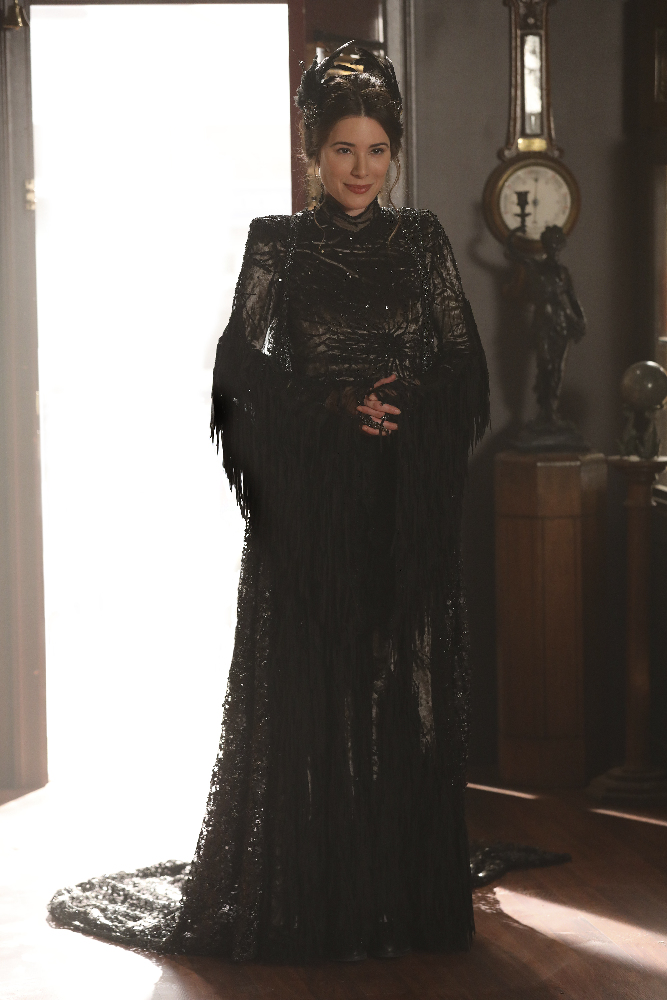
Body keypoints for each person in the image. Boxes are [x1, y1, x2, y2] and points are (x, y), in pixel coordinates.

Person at [47, 43, 490, 963]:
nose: (360, 169)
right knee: (311, 696)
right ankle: (314, 894)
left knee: (398, 696)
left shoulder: (421, 241)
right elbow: (235, 370)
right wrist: (333, 404)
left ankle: (395, 893)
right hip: (309, 514)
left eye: (376, 150)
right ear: (311, 153)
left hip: (399, 509)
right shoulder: (277, 244)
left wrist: (404, 401)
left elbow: (465, 365)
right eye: (341, 150)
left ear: (394, 152)